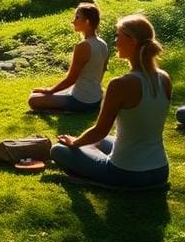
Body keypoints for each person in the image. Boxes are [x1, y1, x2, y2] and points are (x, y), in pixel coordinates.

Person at [50, 14, 171, 188]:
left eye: (118, 35)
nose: (115, 41)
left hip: (125, 173)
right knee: (103, 140)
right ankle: (92, 150)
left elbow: (99, 130)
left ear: (133, 41)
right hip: (160, 171)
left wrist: (75, 143)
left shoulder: (120, 84)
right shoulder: (164, 78)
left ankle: (97, 163)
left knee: (59, 150)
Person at [28, 2, 108, 113]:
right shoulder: (103, 44)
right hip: (96, 98)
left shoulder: (84, 46)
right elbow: (102, 72)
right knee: (37, 93)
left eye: (77, 17)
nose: (73, 21)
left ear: (87, 21)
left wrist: (49, 91)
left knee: (33, 99)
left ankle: (68, 110)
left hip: (81, 100)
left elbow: (71, 79)